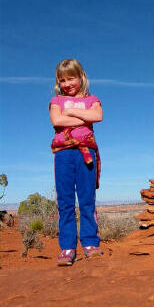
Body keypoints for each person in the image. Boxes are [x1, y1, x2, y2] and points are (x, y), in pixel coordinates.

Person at [49, 59, 103, 265]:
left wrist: (70, 112)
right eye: (62, 80)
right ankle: (67, 248)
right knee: (65, 202)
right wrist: (84, 118)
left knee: (87, 200)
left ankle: (90, 244)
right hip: (63, 153)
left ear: (81, 77)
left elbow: (98, 115)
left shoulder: (92, 99)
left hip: (86, 152)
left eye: (71, 78)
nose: (67, 83)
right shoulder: (56, 101)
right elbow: (57, 121)